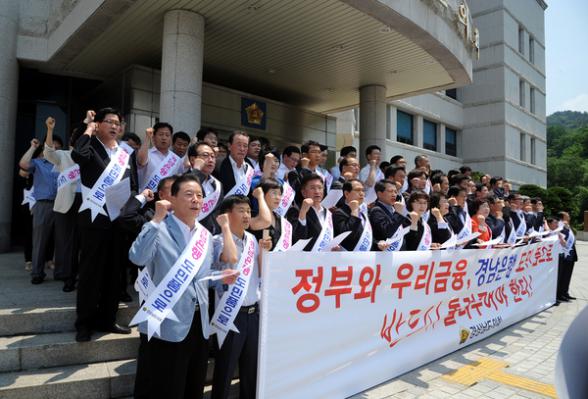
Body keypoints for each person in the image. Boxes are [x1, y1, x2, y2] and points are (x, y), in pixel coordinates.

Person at [129, 174, 238, 399]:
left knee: (193, 386)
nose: (196, 200)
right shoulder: (158, 227)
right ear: (173, 198)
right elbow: (137, 258)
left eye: (199, 195)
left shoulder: (205, 235)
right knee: (167, 388)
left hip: (199, 324)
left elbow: (202, 276)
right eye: (189, 195)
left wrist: (221, 277)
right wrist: (156, 220)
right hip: (167, 322)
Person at [71, 107, 138, 342]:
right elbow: (77, 155)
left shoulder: (125, 154)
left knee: (114, 273)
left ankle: (107, 319)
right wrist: (88, 126)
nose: (114, 126)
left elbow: (133, 186)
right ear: (99, 125)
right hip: (93, 218)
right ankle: (84, 323)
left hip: (117, 221)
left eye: (117, 122)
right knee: (91, 272)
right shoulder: (90, 147)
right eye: (108, 121)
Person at [210, 195, 272, 399]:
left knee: (251, 370)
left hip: (253, 313)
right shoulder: (218, 240)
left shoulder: (252, 239)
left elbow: (262, 272)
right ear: (227, 215)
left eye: (248, 211)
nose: (247, 215)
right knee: (225, 370)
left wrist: (265, 252)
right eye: (241, 211)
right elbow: (231, 257)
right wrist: (226, 228)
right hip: (230, 314)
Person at [43, 116, 84, 292]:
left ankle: (81, 275)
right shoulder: (64, 155)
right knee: (66, 242)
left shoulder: (92, 156)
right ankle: (67, 276)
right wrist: (50, 130)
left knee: (84, 243)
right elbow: (48, 154)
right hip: (67, 202)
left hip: (88, 203)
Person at [18, 135, 60, 285]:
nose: (54, 148)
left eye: (56, 147)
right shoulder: (38, 163)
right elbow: (23, 164)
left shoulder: (63, 164)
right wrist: (33, 147)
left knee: (62, 241)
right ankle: (37, 273)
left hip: (62, 205)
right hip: (43, 205)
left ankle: (61, 272)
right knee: (40, 240)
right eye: (51, 146)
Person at [286, 173, 332, 251]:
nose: (317, 191)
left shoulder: (328, 213)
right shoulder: (295, 211)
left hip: (325, 260)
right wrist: (303, 212)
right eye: (312, 188)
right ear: (304, 192)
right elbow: (297, 239)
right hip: (306, 260)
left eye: (320, 188)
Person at [137, 122, 184, 190]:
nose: (164, 138)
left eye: (167, 135)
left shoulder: (176, 159)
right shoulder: (147, 154)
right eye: (161, 134)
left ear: (171, 138)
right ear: (153, 137)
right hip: (147, 196)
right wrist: (147, 138)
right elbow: (141, 161)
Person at [368, 180, 410, 251]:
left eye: (395, 192)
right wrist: (398, 214)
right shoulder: (376, 210)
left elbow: (406, 231)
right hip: (384, 255)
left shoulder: (395, 208)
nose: (394, 194)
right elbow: (387, 233)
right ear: (379, 194)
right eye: (390, 191)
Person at [332, 179, 372, 251]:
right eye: (357, 190)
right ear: (346, 194)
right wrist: (354, 211)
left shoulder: (362, 213)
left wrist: (378, 243)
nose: (362, 193)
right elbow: (347, 236)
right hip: (347, 258)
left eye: (363, 190)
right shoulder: (339, 213)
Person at [214, 131, 254, 196]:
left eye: (245, 146)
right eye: (239, 145)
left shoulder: (250, 166)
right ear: (229, 146)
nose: (242, 149)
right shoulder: (219, 164)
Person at [557, 211, 577, 303]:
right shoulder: (560, 226)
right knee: (563, 276)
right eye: (567, 216)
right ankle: (560, 294)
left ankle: (565, 292)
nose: (569, 217)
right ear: (562, 218)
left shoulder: (567, 226)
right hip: (564, 255)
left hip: (571, 255)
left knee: (567, 275)